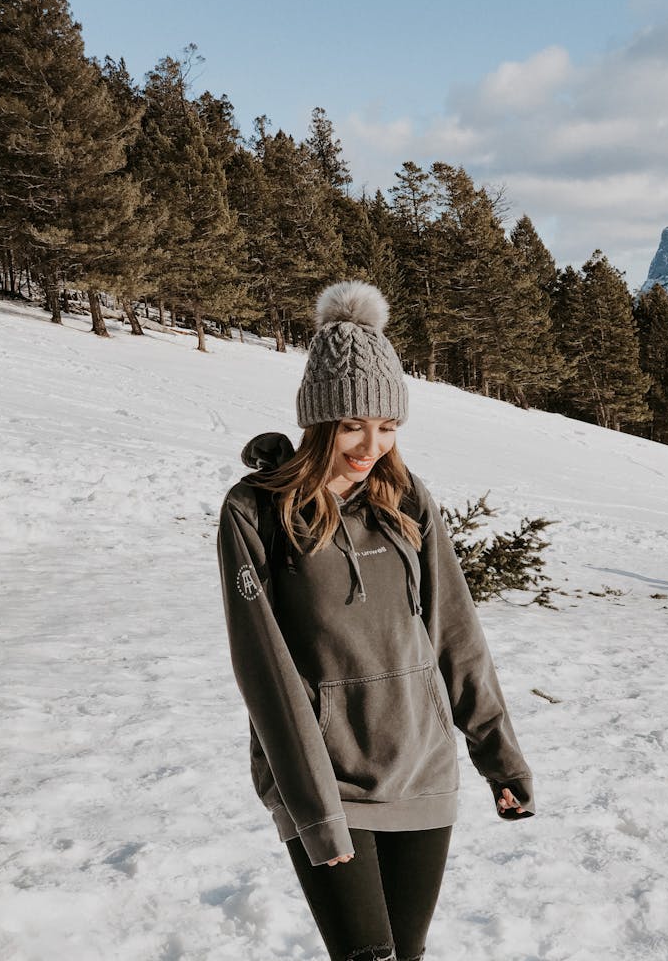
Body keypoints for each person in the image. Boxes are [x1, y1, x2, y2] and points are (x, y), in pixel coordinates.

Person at [216, 280, 536, 961]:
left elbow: (454, 633)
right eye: (353, 425)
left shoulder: (405, 498)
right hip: (325, 780)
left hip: (421, 768)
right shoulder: (256, 513)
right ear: (319, 421)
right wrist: (315, 811)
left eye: (387, 427)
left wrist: (499, 757)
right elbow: (266, 674)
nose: (370, 446)